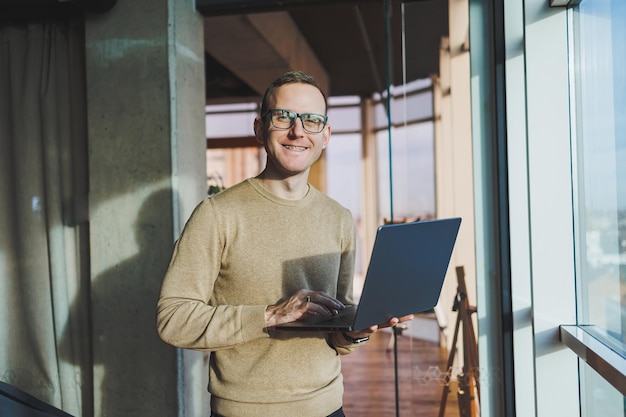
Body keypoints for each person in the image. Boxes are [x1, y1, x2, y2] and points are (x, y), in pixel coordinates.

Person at [156, 70, 413, 417]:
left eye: (311, 120)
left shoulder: (339, 217)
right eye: (283, 117)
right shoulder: (216, 215)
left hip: (328, 408)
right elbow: (173, 319)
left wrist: (358, 330)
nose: (298, 131)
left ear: (326, 135)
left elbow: (336, 335)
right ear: (260, 128)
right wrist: (272, 315)